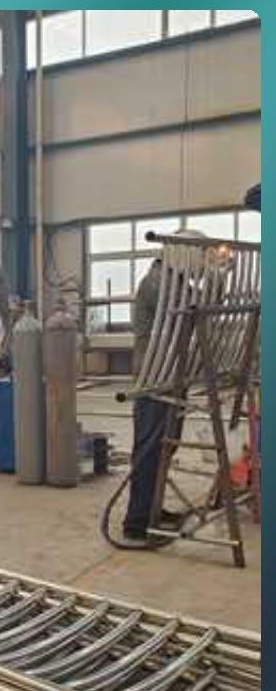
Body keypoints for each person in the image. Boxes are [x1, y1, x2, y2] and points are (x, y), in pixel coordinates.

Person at [123, 230, 204, 544]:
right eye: (198, 255)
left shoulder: (178, 282)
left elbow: (202, 307)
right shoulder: (157, 282)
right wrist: (213, 278)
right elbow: (192, 307)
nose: (200, 264)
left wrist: (217, 278)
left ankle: (152, 509)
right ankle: (137, 522)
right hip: (154, 380)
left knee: (166, 447)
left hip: (171, 377)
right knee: (150, 450)